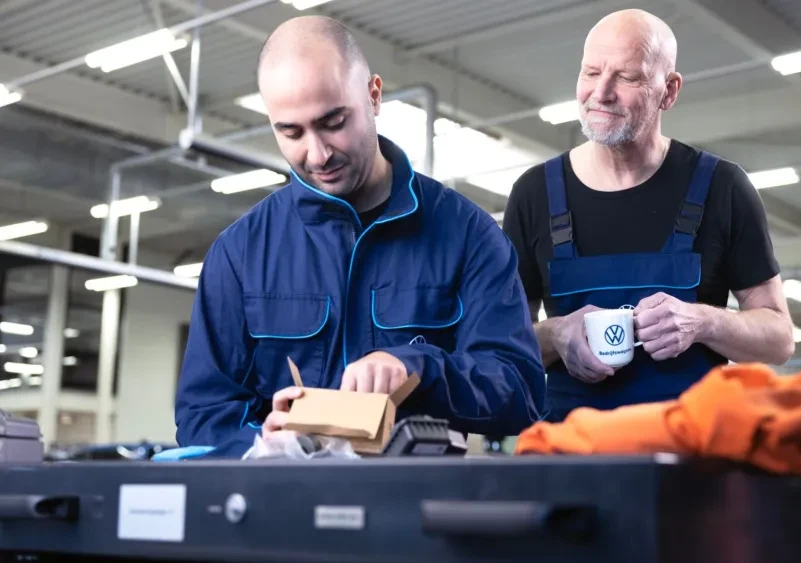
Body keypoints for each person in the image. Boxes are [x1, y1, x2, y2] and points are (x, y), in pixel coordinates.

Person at [175, 16, 545, 457]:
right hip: (282, 509)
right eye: (291, 132)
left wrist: (417, 367)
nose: (317, 153)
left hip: (414, 510)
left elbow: (520, 391)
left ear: (373, 95)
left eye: (333, 122)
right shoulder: (239, 254)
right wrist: (262, 442)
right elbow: (202, 416)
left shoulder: (468, 235)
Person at [502, 9, 794, 422]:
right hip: (571, 456)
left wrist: (702, 322)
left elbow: (780, 338)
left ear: (669, 91)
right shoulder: (534, 194)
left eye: (627, 77)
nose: (601, 93)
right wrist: (556, 334)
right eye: (590, 72)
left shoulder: (722, 187)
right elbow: (502, 342)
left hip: (691, 456)